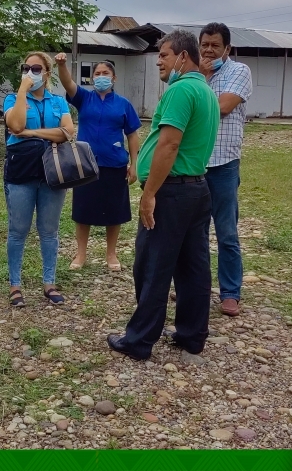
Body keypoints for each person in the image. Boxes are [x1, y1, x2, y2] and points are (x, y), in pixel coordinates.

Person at [106, 29, 219, 360]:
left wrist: (149, 193)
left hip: (172, 192)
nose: (158, 61)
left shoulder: (181, 91)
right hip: (197, 189)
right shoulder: (205, 90)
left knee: (153, 265)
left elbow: (169, 144)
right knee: (193, 266)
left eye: (164, 54)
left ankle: (139, 340)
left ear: (183, 57)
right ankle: (191, 334)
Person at [54, 55, 141, 271]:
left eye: (106, 73)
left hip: (115, 164)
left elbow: (132, 134)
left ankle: (111, 254)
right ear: (92, 78)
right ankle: (81, 254)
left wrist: (134, 163)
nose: (101, 77)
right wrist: (62, 65)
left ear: (114, 78)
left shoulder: (123, 104)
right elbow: (67, 83)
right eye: (97, 74)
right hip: (86, 164)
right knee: (83, 211)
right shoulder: (84, 98)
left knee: (114, 211)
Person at [4, 52, 75, 307]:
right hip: (21, 172)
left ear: (47, 73)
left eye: (36, 68)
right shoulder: (12, 99)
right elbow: (15, 124)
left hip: (53, 172)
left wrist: (32, 133)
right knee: (18, 230)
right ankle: (15, 285)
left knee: (49, 230)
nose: (30, 72)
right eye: (26, 68)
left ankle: (49, 282)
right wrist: (23, 89)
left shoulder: (58, 102)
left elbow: (68, 132)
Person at [198, 23, 253, 317]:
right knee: (194, 233)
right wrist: (201, 76)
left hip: (224, 164)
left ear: (227, 49)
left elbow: (220, 108)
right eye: (204, 45)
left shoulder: (239, 72)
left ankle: (230, 292)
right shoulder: (192, 73)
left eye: (215, 45)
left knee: (227, 232)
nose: (208, 50)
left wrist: (203, 79)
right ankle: (196, 288)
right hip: (194, 164)